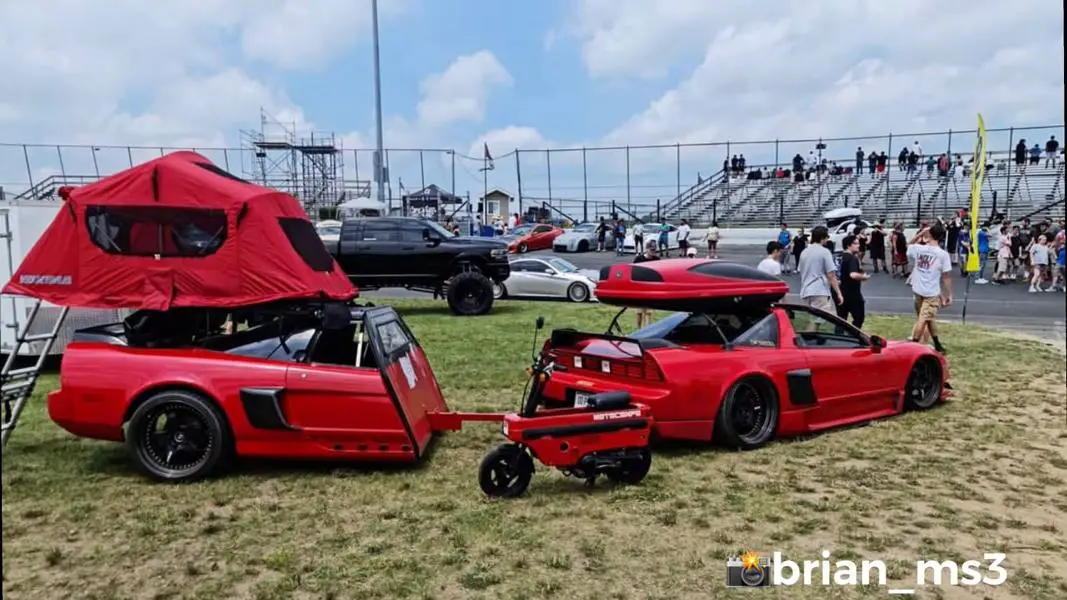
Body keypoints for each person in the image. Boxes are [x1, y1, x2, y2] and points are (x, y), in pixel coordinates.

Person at [906, 224, 953, 353]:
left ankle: (937, 343)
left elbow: (908, 245)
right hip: (931, 292)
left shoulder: (919, 249)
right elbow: (946, 276)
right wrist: (949, 294)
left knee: (927, 318)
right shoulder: (942, 254)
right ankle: (914, 346)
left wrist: (920, 234)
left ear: (930, 235)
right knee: (923, 319)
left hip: (918, 289)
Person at [797, 225, 843, 312]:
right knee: (818, 321)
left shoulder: (804, 252)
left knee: (810, 319)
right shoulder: (825, 252)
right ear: (822, 238)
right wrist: (839, 293)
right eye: (827, 237)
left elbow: (801, 270)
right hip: (820, 290)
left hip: (805, 290)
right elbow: (831, 275)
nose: (828, 239)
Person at [837, 234, 870, 328]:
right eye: (855, 243)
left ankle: (839, 336)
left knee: (841, 319)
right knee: (859, 318)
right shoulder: (852, 258)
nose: (858, 245)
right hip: (852, 293)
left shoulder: (838, 257)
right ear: (848, 245)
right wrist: (864, 277)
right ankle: (854, 336)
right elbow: (853, 274)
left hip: (839, 292)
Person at [633, 240, 659, 328]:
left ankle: (647, 331)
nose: (653, 252)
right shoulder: (639, 259)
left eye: (654, 250)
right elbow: (633, 272)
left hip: (651, 288)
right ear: (647, 249)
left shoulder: (657, 260)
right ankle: (638, 330)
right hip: (639, 288)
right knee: (639, 312)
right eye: (651, 249)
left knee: (649, 312)